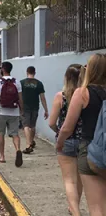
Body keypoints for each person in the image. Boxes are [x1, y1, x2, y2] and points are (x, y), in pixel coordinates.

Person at [56, 54, 106, 216]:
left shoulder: (83, 93)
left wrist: (60, 143)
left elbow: (67, 128)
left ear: (90, 70)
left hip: (91, 150)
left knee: (96, 207)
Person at [49, 64, 83, 216]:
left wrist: (59, 133)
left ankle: (75, 212)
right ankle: (74, 207)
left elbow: (51, 122)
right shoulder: (86, 95)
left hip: (66, 141)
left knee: (69, 180)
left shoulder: (60, 96)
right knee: (81, 179)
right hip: (84, 141)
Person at [0, 61, 24, 167]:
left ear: (2, 69)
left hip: (1, 112)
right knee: (15, 134)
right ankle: (18, 150)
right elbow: (20, 99)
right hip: (14, 112)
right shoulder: (17, 82)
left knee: (1, 133)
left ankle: (2, 156)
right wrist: (22, 111)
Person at [20, 66, 49, 154]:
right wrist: (46, 110)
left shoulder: (21, 83)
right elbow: (42, 98)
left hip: (25, 107)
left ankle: (28, 145)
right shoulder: (39, 83)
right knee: (32, 126)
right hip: (35, 107)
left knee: (26, 126)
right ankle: (31, 141)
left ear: (26, 72)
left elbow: (19, 96)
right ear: (34, 73)